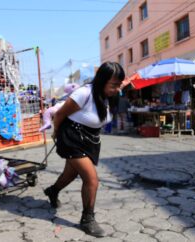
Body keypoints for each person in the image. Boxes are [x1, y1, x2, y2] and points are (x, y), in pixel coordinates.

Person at [44, 62, 126, 237]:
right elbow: (60, 115)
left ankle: (52, 191)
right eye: (114, 85)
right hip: (71, 137)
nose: (117, 89)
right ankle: (87, 219)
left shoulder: (109, 97)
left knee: (70, 174)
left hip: (90, 139)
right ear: (101, 81)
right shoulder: (84, 93)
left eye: (119, 85)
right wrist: (56, 133)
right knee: (91, 179)